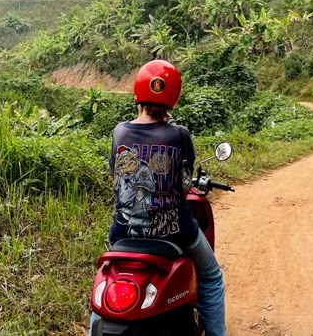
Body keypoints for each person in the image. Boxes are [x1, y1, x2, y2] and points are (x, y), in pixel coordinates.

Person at [89, 59, 226, 336]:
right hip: (176, 234)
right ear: (173, 98)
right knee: (212, 277)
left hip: (123, 232)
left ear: (137, 95)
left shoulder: (119, 132)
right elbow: (184, 183)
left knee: (105, 280)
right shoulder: (180, 136)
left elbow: (113, 173)